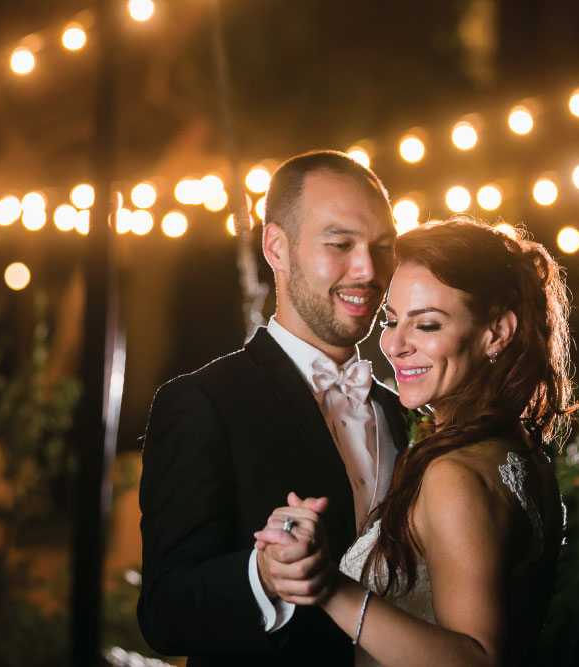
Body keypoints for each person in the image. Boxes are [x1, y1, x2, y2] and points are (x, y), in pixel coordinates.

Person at [255, 217, 579, 666]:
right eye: (392, 320)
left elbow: (479, 659)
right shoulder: (518, 447)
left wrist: (328, 587)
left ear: (497, 333)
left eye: (427, 325)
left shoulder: (455, 474)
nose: (395, 344)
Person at [137, 150, 410, 666]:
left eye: (383, 247)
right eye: (340, 244)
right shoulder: (201, 404)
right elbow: (165, 613)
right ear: (276, 247)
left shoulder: (403, 412)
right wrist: (262, 578)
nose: (369, 269)